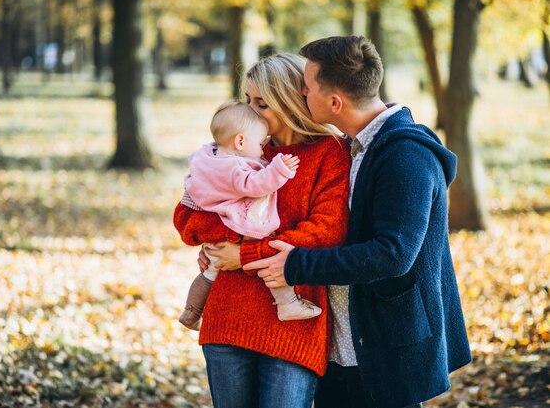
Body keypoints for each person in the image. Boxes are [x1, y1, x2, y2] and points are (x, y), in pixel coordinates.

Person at [244, 36, 472, 408]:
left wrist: (297, 264)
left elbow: (393, 254)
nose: (300, 93)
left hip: (383, 350)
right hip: (343, 346)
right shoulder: (354, 147)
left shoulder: (405, 155)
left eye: (307, 87)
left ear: (334, 102)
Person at [173, 53, 351, 408]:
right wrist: (220, 238)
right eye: (247, 100)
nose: (250, 112)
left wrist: (244, 253)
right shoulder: (237, 149)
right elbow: (186, 215)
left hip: (293, 323)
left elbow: (326, 232)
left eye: (262, 103)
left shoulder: (329, 153)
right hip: (228, 315)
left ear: (290, 99)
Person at [177, 100, 323, 331]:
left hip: (217, 238)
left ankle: (191, 312)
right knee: (270, 258)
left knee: (208, 274)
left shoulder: (207, 159)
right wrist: (278, 169)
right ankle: (287, 303)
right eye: (259, 142)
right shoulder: (234, 168)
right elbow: (255, 185)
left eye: (261, 103)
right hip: (239, 226)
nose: (263, 148)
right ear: (240, 141)